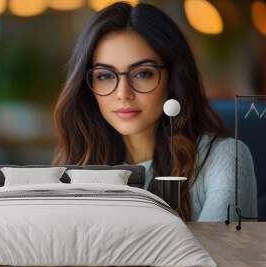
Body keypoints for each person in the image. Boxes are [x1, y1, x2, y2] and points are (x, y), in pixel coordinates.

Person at [52, 2, 257, 221]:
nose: (123, 93)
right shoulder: (74, 167)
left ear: (173, 79)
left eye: (142, 74)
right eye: (105, 76)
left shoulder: (224, 159)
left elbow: (215, 253)